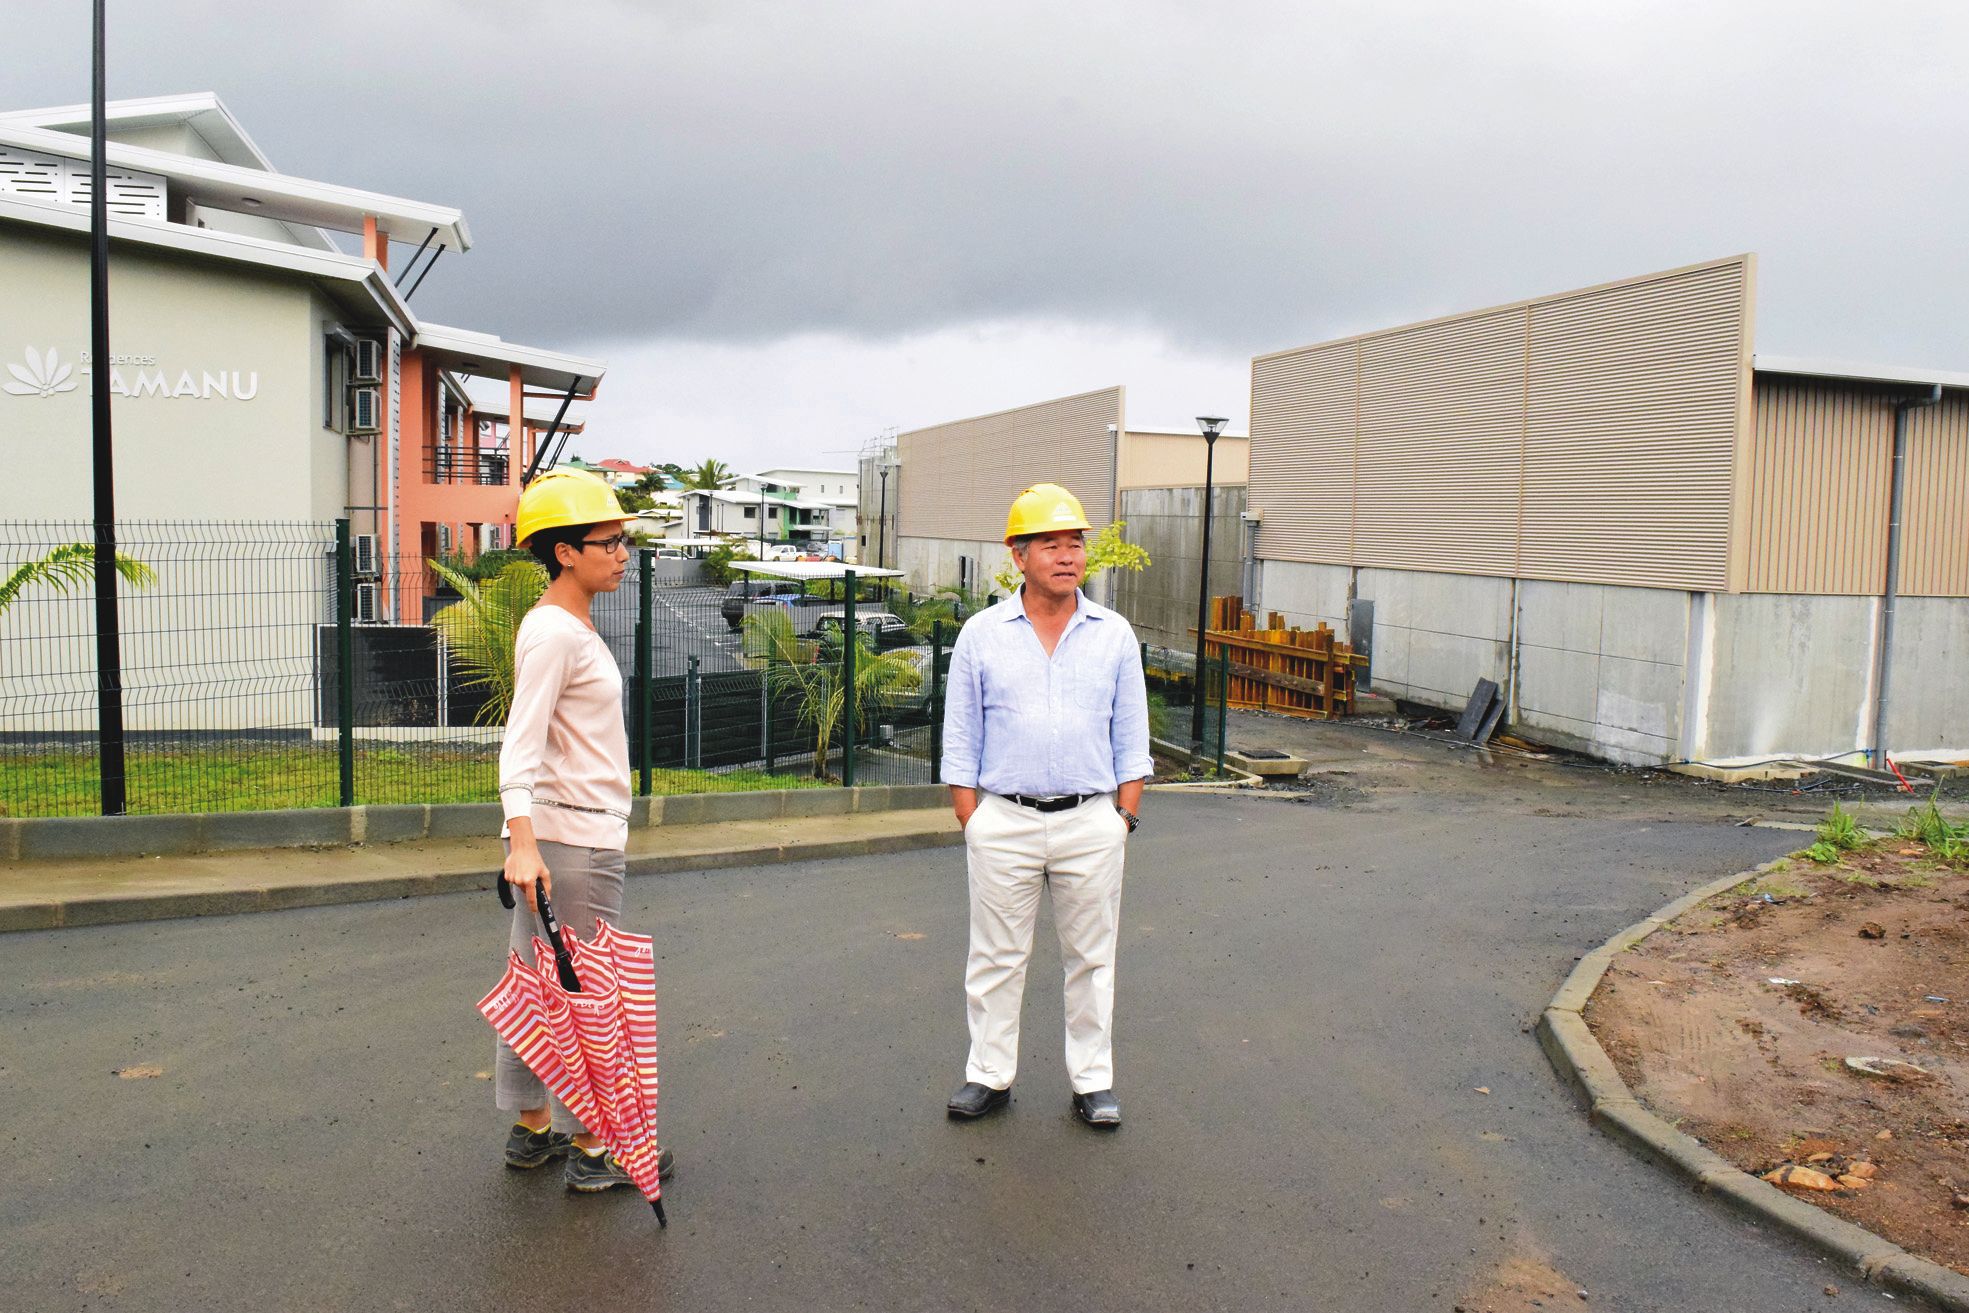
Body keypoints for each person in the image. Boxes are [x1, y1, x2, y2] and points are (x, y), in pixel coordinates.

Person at [939, 483, 1152, 1129]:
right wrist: (971, 815)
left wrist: (1122, 816)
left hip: (1091, 820)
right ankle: (989, 1075)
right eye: (1051, 544)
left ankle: (1092, 1082)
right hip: (1003, 818)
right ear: (1018, 554)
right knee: (996, 956)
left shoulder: (1112, 634)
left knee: (1090, 958)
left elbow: (1130, 733)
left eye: (1075, 543)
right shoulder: (982, 635)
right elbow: (960, 733)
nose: (1067, 555)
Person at [493, 468, 675, 1192]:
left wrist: (525, 842)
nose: (621, 551)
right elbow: (521, 741)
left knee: (537, 985)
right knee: (591, 995)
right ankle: (598, 1148)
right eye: (607, 539)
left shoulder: (566, 624)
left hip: (555, 841)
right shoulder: (553, 634)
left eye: (623, 537)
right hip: (574, 845)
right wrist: (524, 840)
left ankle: (532, 1128)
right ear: (564, 551)